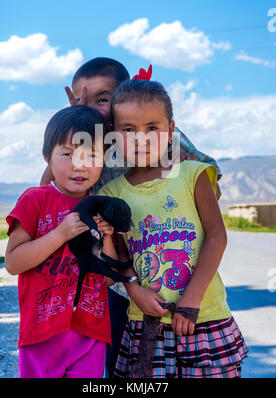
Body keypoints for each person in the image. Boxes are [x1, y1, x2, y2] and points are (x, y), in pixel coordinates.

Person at [39, 57, 223, 378]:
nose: (93, 110)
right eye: (82, 101)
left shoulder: (158, 138)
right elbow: (48, 191)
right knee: (121, 355)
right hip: (116, 274)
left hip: (161, 264)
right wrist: (72, 124)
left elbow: (206, 185)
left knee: (174, 349)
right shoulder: (84, 144)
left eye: (102, 99)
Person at [98, 72, 248, 378]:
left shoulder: (192, 175)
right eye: (129, 129)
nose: (141, 138)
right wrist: (133, 289)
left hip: (204, 316)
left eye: (152, 128)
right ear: (114, 134)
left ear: (171, 130)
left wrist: (192, 298)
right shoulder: (110, 195)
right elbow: (117, 257)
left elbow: (216, 237)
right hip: (144, 322)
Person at [5, 105, 117, 378]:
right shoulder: (35, 200)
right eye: (68, 154)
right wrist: (59, 235)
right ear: (48, 157)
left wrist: (109, 237)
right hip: (42, 332)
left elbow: (110, 278)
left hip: (90, 331)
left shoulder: (101, 206)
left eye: (91, 155)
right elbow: (13, 262)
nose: (79, 165)